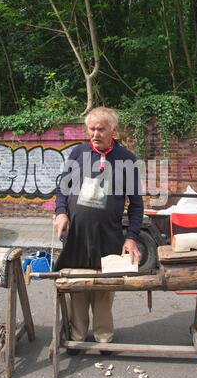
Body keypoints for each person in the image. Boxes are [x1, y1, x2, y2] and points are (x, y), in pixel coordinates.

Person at [54, 107, 143, 354]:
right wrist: (60, 212)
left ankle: (104, 338)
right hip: (77, 237)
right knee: (78, 287)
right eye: (91, 128)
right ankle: (77, 337)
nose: (95, 133)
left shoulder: (127, 159)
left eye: (101, 128)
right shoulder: (77, 153)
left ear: (114, 130)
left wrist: (132, 238)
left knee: (104, 289)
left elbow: (136, 204)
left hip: (109, 237)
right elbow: (62, 189)